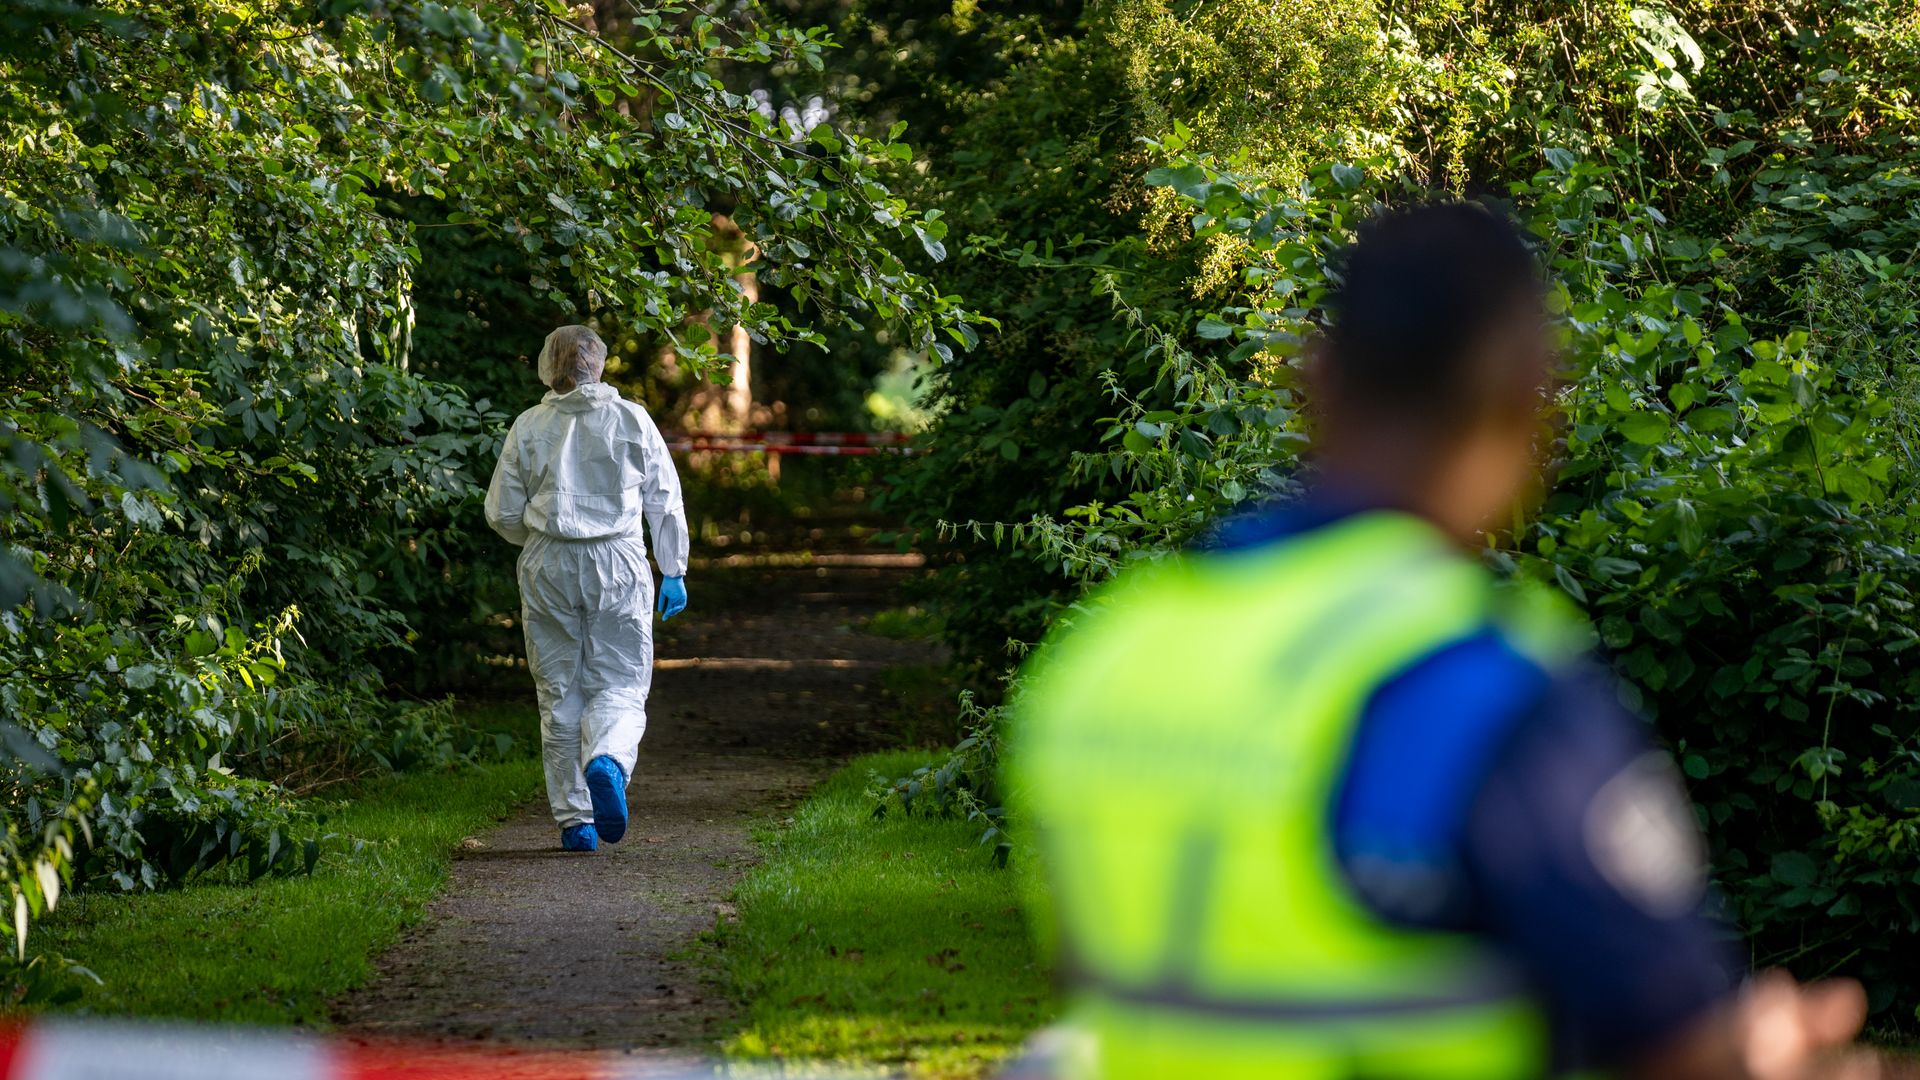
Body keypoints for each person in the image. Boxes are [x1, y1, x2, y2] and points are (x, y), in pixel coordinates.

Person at [1006, 204, 1888, 1079]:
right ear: (1526, 401)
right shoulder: (1476, 688)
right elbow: (1678, 1046)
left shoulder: (1108, 654)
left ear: (1312, 381)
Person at [485, 324, 690, 853]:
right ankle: (608, 760)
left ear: (548, 365)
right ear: (598, 363)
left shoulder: (529, 425)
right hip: (617, 561)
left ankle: (576, 822)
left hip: (547, 560)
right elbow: (663, 497)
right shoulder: (630, 419)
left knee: (558, 689)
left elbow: (502, 511)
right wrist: (673, 568)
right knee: (620, 681)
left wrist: (535, 542)